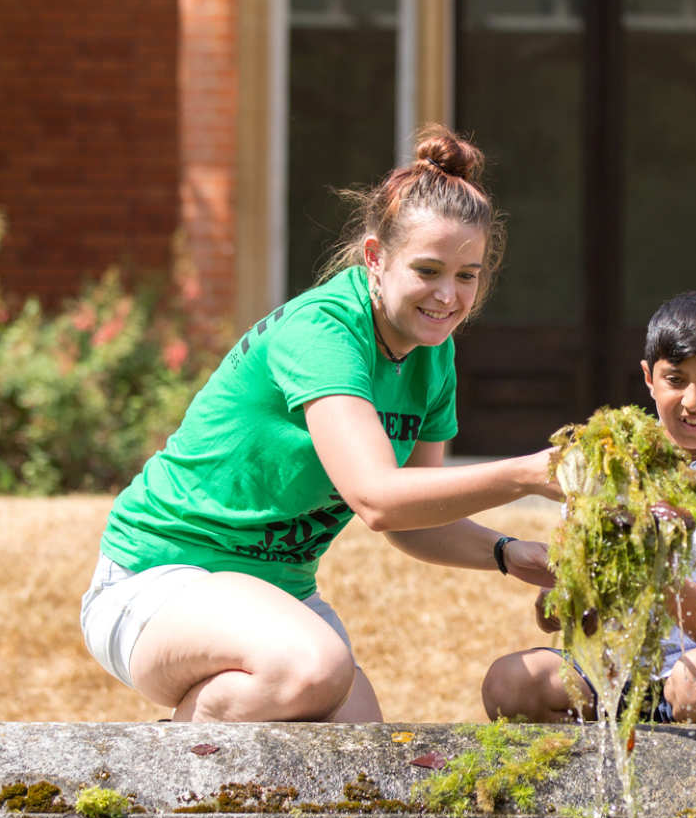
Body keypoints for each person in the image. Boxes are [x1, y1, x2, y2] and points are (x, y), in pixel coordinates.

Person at [81, 125, 560, 723]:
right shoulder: (323, 333)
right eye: (428, 270)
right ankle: (165, 778)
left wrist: (508, 553)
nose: (448, 296)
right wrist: (534, 473)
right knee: (311, 669)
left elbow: (410, 520)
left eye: (467, 274)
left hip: (277, 595)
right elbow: (377, 498)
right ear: (375, 258)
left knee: (359, 749)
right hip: (157, 577)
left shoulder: (432, 353)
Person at [480, 290, 696, 725]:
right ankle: (592, 774)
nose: (693, 401)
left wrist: (647, 564)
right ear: (649, 378)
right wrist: (568, 600)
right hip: (611, 670)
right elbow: (555, 610)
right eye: (676, 380)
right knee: (508, 684)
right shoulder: (605, 466)